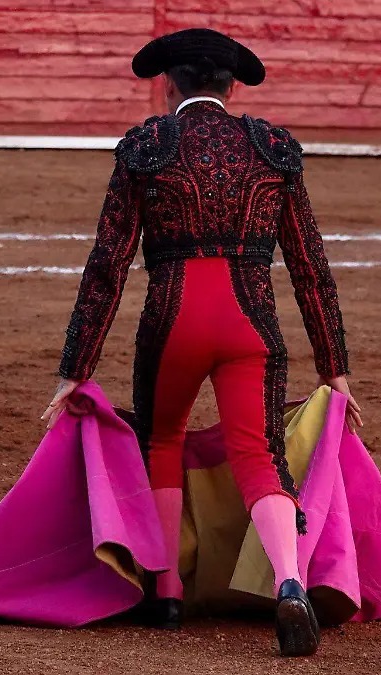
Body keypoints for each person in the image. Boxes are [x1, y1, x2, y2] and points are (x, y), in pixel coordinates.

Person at [40, 28, 363, 657]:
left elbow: (107, 265)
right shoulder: (272, 148)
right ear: (232, 88)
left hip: (173, 320)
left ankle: (166, 593)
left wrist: (75, 368)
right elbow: (310, 268)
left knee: (161, 441)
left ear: (168, 86)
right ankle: (290, 584)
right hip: (251, 323)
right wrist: (335, 370)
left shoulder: (147, 146)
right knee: (259, 453)